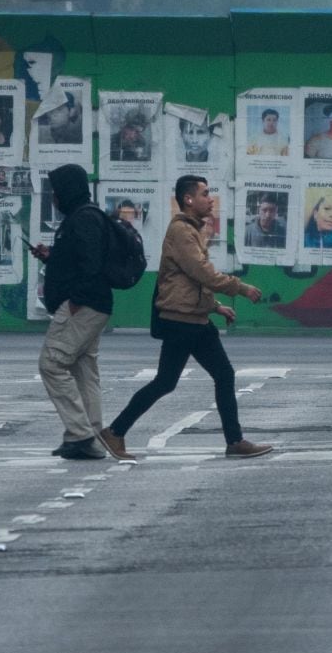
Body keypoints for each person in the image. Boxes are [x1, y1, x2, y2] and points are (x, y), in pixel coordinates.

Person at [102, 175, 271, 463]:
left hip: (192, 318)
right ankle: (115, 432)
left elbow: (190, 281)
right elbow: (202, 272)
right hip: (181, 321)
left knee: (183, 379)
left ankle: (234, 441)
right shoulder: (181, 231)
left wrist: (215, 307)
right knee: (185, 379)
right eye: (205, 194)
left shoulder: (192, 229)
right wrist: (241, 288)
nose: (211, 199)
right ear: (189, 199)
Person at [27, 164, 114, 462]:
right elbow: (78, 260)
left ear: (68, 190)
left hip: (82, 306)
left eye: (56, 191)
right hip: (93, 305)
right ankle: (93, 438)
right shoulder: (84, 216)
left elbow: (91, 264)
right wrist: (51, 257)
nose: (54, 198)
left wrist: (76, 301)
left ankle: (80, 434)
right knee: (84, 370)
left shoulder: (84, 219)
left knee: (51, 364)